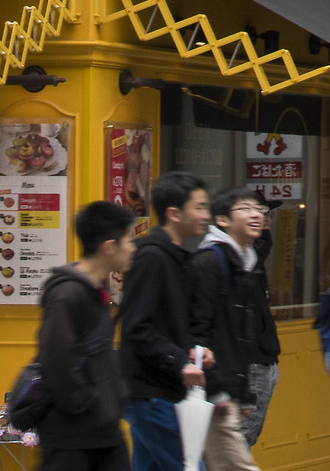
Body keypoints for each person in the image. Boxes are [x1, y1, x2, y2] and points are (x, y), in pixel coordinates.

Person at [118, 171, 214, 471]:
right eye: (198, 207)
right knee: (189, 466)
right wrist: (178, 362)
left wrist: (196, 349)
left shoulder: (178, 259)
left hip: (159, 391)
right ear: (174, 213)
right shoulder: (152, 258)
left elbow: (170, 323)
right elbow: (138, 326)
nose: (206, 215)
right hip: (151, 393)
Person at [37, 199, 137, 471]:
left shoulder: (96, 291)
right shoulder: (67, 294)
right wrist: (86, 402)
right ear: (109, 247)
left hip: (102, 430)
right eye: (129, 240)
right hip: (72, 437)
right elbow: (56, 359)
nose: (133, 248)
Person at [189, 187, 280, 471]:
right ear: (222, 220)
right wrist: (218, 390)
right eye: (245, 208)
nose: (257, 215)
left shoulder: (245, 262)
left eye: (261, 210)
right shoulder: (211, 262)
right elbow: (197, 330)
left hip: (235, 387)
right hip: (219, 390)